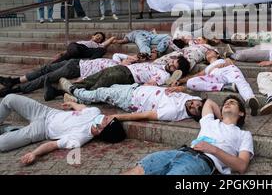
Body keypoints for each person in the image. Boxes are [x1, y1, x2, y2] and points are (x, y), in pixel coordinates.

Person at [122, 97, 253, 175]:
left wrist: (214, 150)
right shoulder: (210, 122)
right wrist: (222, 118)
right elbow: (208, 102)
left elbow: (241, 166)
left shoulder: (243, 134)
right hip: (180, 152)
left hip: (202, 162)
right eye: (226, 103)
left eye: (232, 103)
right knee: (139, 170)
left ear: (241, 113)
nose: (227, 103)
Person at [0, 94, 126, 164]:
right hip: (46, 112)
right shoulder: (95, 112)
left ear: (100, 131)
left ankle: (10, 130)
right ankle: (9, 129)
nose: (105, 116)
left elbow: (53, 145)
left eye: (106, 120)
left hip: (42, 130)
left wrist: (34, 154)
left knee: (3, 144)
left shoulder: (78, 139)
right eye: (108, 117)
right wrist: (72, 104)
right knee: (9, 99)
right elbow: (82, 108)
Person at [0, 53, 154, 100]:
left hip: (76, 70)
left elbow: (98, 76)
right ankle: (13, 81)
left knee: (45, 78)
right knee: (44, 69)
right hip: (76, 62)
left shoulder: (121, 69)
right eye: (132, 58)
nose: (131, 59)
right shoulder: (117, 59)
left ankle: (14, 90)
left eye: (135, 60)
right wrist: (131, 56)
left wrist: (133, 62)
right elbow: (117, 54)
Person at [48, 53, 188, 101]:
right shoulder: (158, 65)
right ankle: (59, 92)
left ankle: (77, 98)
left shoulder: (164, 75)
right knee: (90, 80)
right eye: (173, 62)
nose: (171, 65)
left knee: (96, 87)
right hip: (121, 68)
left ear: (178, 71)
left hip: (127, 76)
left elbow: (149, 84)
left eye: (175, 66)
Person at [168, 50, 260, 116]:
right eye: (206, 53)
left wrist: (228, 59)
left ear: (217, 53)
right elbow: (195, 76)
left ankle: (250, 99)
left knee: (240, 82)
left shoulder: (224, 59)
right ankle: (224, 87)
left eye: (210, 51)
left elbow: (233, 59)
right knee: (190, 83)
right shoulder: (207, 69)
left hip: (229, 70)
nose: (207, 52)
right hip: (214, 77)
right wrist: (180, 81)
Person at [62, 83, 205, 123]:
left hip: (130, 99)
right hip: (136, 87)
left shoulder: (173, 112)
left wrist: (117, 117)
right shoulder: (189, 99)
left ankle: (73, 90)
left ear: (194, 115)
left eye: (195, 109)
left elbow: (145, 115)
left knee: (100, 93)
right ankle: (76, 101)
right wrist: (179, 87)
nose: (192, 104)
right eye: (196, 102)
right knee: (107, 90)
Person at [51, 32, 115, 64]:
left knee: (70, 54)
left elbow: (112, 38)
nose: (98, 38)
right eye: (97, 36)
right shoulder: (82, 42)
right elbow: (71, 47)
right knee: (72, 48)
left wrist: (115, 41)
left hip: (82, 51)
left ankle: (53, 64)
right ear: (93, 36)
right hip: (75, 47)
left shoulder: (98, 45)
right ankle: (53, 64)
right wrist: (61, 53)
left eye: (100, 38)